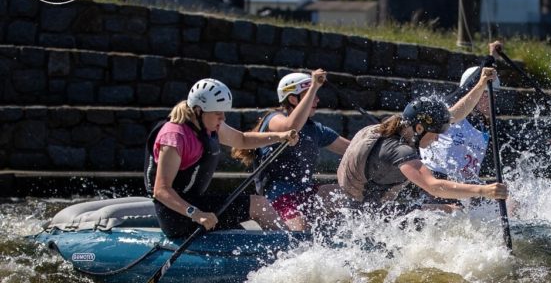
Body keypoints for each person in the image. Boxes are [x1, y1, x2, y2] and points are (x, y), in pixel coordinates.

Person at [337, 68, 508, 215]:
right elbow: (433, 186)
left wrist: (481, 83)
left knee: (453, 212)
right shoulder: (399, 150)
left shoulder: (404, 126)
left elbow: (456, 114)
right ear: (420, 129)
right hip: (367, 213)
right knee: (451, 212)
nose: (437, 138)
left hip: (381, 199)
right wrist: (483, 191)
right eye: (436, 133)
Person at [145, 78, 299, 238]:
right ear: (198, 111)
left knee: (253, 215)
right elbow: (161, 191)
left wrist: (280, 136)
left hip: (197, 203)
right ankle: (287, 251)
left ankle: (284, 248)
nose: (223, 118)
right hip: (176, 215)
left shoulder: (207, 125)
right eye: (218, 114)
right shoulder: (174, 137)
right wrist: (197, 214)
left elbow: (243, 140)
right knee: (259, 206)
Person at [422, 41, 551, 186]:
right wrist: (491, 58)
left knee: (514, 204)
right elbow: (469, 86)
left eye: (493, 95)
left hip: (462, 191)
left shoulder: (490, 128)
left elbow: (527, 148)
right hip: (434, 183)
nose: (490, 100)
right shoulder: (445, 110)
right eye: (485, 94)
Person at [232, 69, 350, 231]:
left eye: (315, 94)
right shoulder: (273, 119)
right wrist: (314, 85)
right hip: (277, 198)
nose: (317, 99)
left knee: (344, 195)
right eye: (310, 94)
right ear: (293, 99)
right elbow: (291, 127)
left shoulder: (316, 129)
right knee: (301, 230)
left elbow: (353, 150)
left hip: (306, 194)